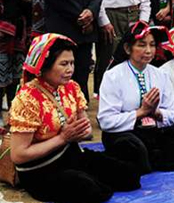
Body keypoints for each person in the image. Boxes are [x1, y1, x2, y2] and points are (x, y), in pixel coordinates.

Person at [10, 34, 141, 203]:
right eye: (64, 64)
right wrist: (63, 138)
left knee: (129, 175)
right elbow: (19, 155)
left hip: (70, 155)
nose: (70, 69)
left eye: (72, 63)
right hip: (40, 168)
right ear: (45, 66)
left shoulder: (71, 87)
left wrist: (80, 131)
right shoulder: (27, 98)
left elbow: (86, 132)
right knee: (90, 190)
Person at [98, 22, 174, 174]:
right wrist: (141, 112)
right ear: (128, 48)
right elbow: (106, 121)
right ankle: (148, 159)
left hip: (153, 131)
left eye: (152, 45)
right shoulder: (113, 76)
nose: (148, 51)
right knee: (133, 148)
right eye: (142, 45)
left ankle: (148, 160)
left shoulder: (160, 75)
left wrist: (156, 113)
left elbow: (173, 112)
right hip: (126, 132)